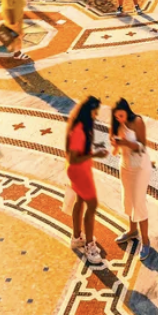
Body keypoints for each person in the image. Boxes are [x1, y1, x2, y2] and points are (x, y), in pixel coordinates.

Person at [65, 95, 106, 266]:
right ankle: (90, 247)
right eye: (95, 113)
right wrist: (95, 154)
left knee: (80, 201)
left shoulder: (78, 125)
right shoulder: (80, 130)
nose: (96, 116)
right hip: (79, 171)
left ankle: (77, 237)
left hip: (78, 170)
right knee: (92, 205)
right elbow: (75, 158)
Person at [110, 98, 154, 258]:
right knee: (128, 199)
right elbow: (114, 151)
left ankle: (146, 241)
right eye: (116, 117)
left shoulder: (137, 121)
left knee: (139, 202)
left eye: (121, 116)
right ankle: (132, 230)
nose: (119, 119)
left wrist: (126, 143)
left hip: (140, 167)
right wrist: (116, 145)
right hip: (125, 166)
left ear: (126, 111)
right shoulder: (116, 124)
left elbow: (142, 147)